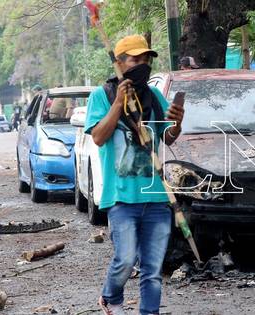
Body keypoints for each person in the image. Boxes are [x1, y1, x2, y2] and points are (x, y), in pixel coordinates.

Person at [85, 35, 184, 315]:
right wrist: (118, 104)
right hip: (121, 198)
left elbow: (169, 137)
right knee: (126, 260)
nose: (142, 65)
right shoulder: (102, 95)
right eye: (135, 59)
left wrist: (177, 122)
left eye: (146, 60)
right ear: (119, 63)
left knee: (152, 270)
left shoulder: (154, 96)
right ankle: (110, 294)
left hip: (156, 196)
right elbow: (99, 137)